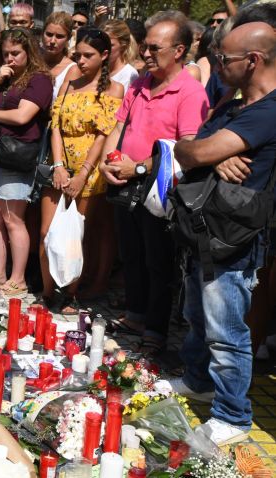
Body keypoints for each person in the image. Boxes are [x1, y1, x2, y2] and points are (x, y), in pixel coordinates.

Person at [170, 21, 276, 446]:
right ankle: (198, 380)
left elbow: (197, 148)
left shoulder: (269, 111)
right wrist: (212, 159)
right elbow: (186, 147)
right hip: (204, 229)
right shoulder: (232, 107)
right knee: (198, 318)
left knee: (227, 331)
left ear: (253, 61)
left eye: (224, 59)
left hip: (235, 238)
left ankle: (233, 415)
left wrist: (207, 153)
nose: (216, 65)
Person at [99, 11, 208, 356]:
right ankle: (135, 314)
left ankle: (157, 329)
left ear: (178, 51)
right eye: (144, 47)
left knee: (158, 261)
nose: (145, 54)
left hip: (160, 189)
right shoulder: (139, 83)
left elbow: (186, 148)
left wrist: (141, 169)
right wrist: (107, 161)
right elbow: (119, 127)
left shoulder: (190, 93)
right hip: (124, 181)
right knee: (130, 252)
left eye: (153, 48)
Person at [38, 28, 124, 311]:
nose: (82, 61)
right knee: (47, 232)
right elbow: (56, 128)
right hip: (60, 164)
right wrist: (60, 166)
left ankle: (69, 294)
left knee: (76, 235)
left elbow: (103, 135)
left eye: (88, 56)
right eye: (78, 56)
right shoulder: (69, 83)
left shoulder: (114, 90)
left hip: (89, 171)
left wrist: (83, 173)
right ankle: (47, 291)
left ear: (105, 55)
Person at [0, 28, 53, 297]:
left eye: (16, 53)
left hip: (15, 153)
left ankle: (18, 278)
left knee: (12, 217)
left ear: (29, 52)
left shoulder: (39, 79)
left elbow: (22, 117)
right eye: (5, 54)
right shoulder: (3, 78)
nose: (10, 58)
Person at [41, 12, 76, 98]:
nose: (52, 41)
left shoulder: (72, 70)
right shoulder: (32, 60)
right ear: (42, 33)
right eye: (49, 34)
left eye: (59, 36)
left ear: (69, 38)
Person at [102, 19, 140, 92]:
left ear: (123, 45)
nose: (104, 48)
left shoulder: (129, 74)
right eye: (101, 43)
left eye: (110, 45)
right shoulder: (97, 69)